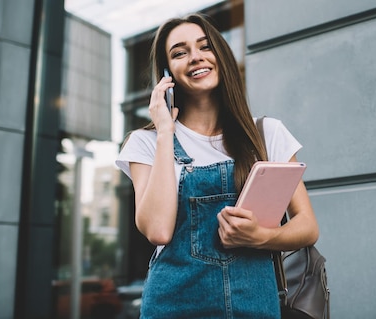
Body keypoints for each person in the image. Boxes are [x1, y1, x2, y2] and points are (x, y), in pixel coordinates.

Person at [115, 13, 319, 319]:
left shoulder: (265, 134)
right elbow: (157, 230)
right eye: (180, 53)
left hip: (255, 306)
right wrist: (165, 131)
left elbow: (307, 226)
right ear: (166, 74)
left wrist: (261, 237)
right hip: (173, 307)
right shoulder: (146, 143)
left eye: (205, 47)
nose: (196, 58)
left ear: (220, 55)